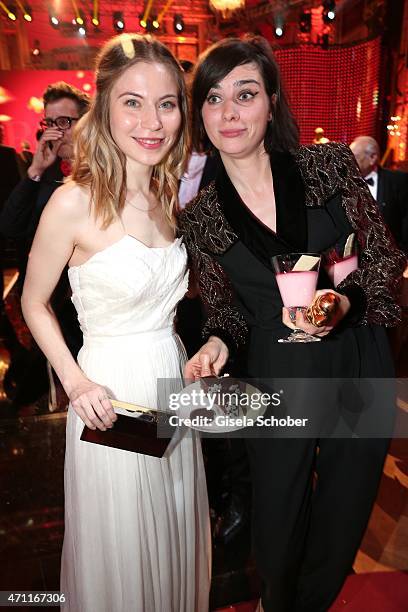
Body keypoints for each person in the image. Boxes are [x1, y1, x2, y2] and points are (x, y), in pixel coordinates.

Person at [178, 36, 406, 612]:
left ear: (272, 102)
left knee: (343, 517)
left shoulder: (326, 167)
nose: (229, 113)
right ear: (198, 112)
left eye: (245, 94)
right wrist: (213, 344)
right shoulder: (202, 217)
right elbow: (228, 312)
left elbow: (384, 258)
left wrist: (344, 304)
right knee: (277, 524)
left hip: (358, 359)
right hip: (276, 373)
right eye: (212, 98)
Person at [21, 34, 210, 612]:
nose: (152, 121)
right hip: (109, 395)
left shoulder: (165, 195)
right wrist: (75, 382)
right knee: (123, 546)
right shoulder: (71, 202)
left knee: (172, 524)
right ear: (104, 107)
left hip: (171, 385)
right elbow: (32, 302)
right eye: (133, 102)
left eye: (167, 103)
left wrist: (197, 356)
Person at [350, 135, 408, 254]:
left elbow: (406, 220)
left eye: (354, 157)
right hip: (356, 258)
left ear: (372, 157)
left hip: (392, 256)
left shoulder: (398, 181)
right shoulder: (344, 183)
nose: (349, 161)